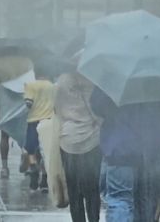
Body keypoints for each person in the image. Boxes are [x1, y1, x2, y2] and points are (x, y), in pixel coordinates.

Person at [90, 87, 160, 222]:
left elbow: (97, 105)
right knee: (147, 199)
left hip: (120, 145)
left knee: (120, 199)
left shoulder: (114, 74)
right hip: (153, 147)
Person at [55, 72, 101, 222]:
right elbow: (99, 110)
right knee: (92, 187)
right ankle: (94, 219)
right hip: (92, 138)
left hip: (68, 138)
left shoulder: (61, 81)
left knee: (73, 188)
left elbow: (56, 109)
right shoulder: (94, 80)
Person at [0, 55, 33, 179]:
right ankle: (26, 156)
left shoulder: (0, 62)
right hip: (23, 98)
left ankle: (4, 168)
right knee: (26, 130)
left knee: (4, 135)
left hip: (5, 98)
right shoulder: (27, 61)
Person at [24, 70, 55, 191]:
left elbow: (28, 103)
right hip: (49, 121)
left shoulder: (30, 85)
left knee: (31, 149)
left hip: (33, 121)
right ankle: (44, 180)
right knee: (46, 151)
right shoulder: (53, 87)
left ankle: (33, 167)